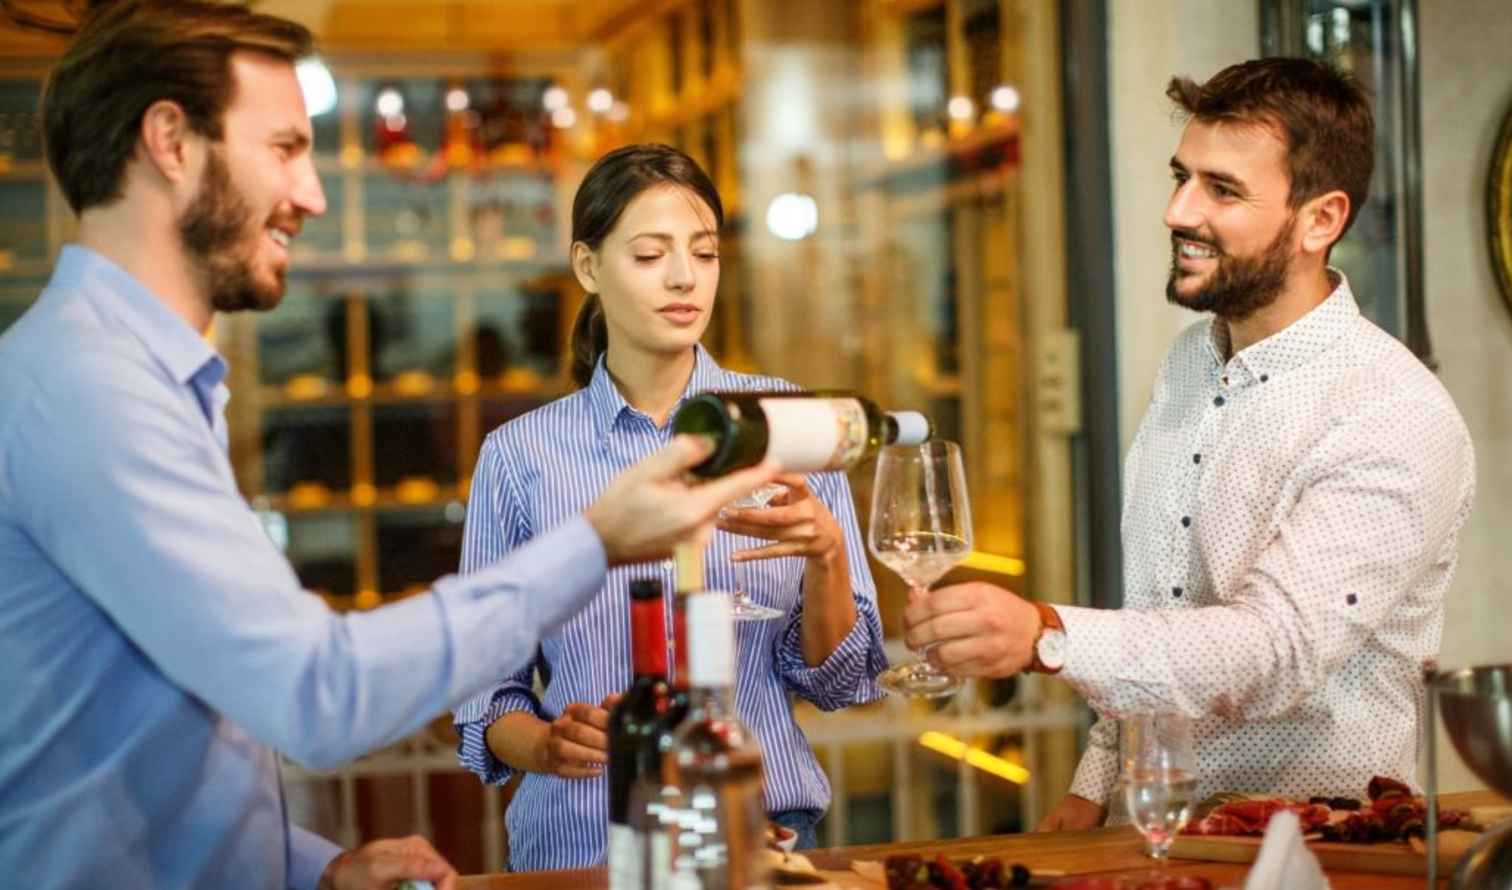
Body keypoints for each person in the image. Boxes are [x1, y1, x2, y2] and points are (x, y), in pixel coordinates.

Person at [0, 4, 775, 889]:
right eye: (287, 148)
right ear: (171, 141)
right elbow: (313, 692)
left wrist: (310, 868)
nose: (314, 194)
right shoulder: (91, 392)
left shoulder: (132, 379)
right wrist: (598, 538)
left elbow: (137, 747)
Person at [903, 57, 1475, 829]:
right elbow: (1158, 610)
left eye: (1222, 190)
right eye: (1183, 177)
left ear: (1321, 220)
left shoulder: (1393, 411)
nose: (1178, 210)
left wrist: (1046, 637)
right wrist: (1091, 785)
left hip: (1314, 853)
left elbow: (1277, 650)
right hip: (1155, 835)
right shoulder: (1187, 364)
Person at [452, 144, 888, 870]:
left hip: (764, 844)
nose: (685, 277)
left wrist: (828, 555)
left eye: (705, 253)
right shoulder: (520, 456)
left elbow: (840, 682)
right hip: (582, 849)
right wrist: (545, 743)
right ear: (589, 267)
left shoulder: (788, 426)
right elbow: (485, 695)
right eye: (651, 255)